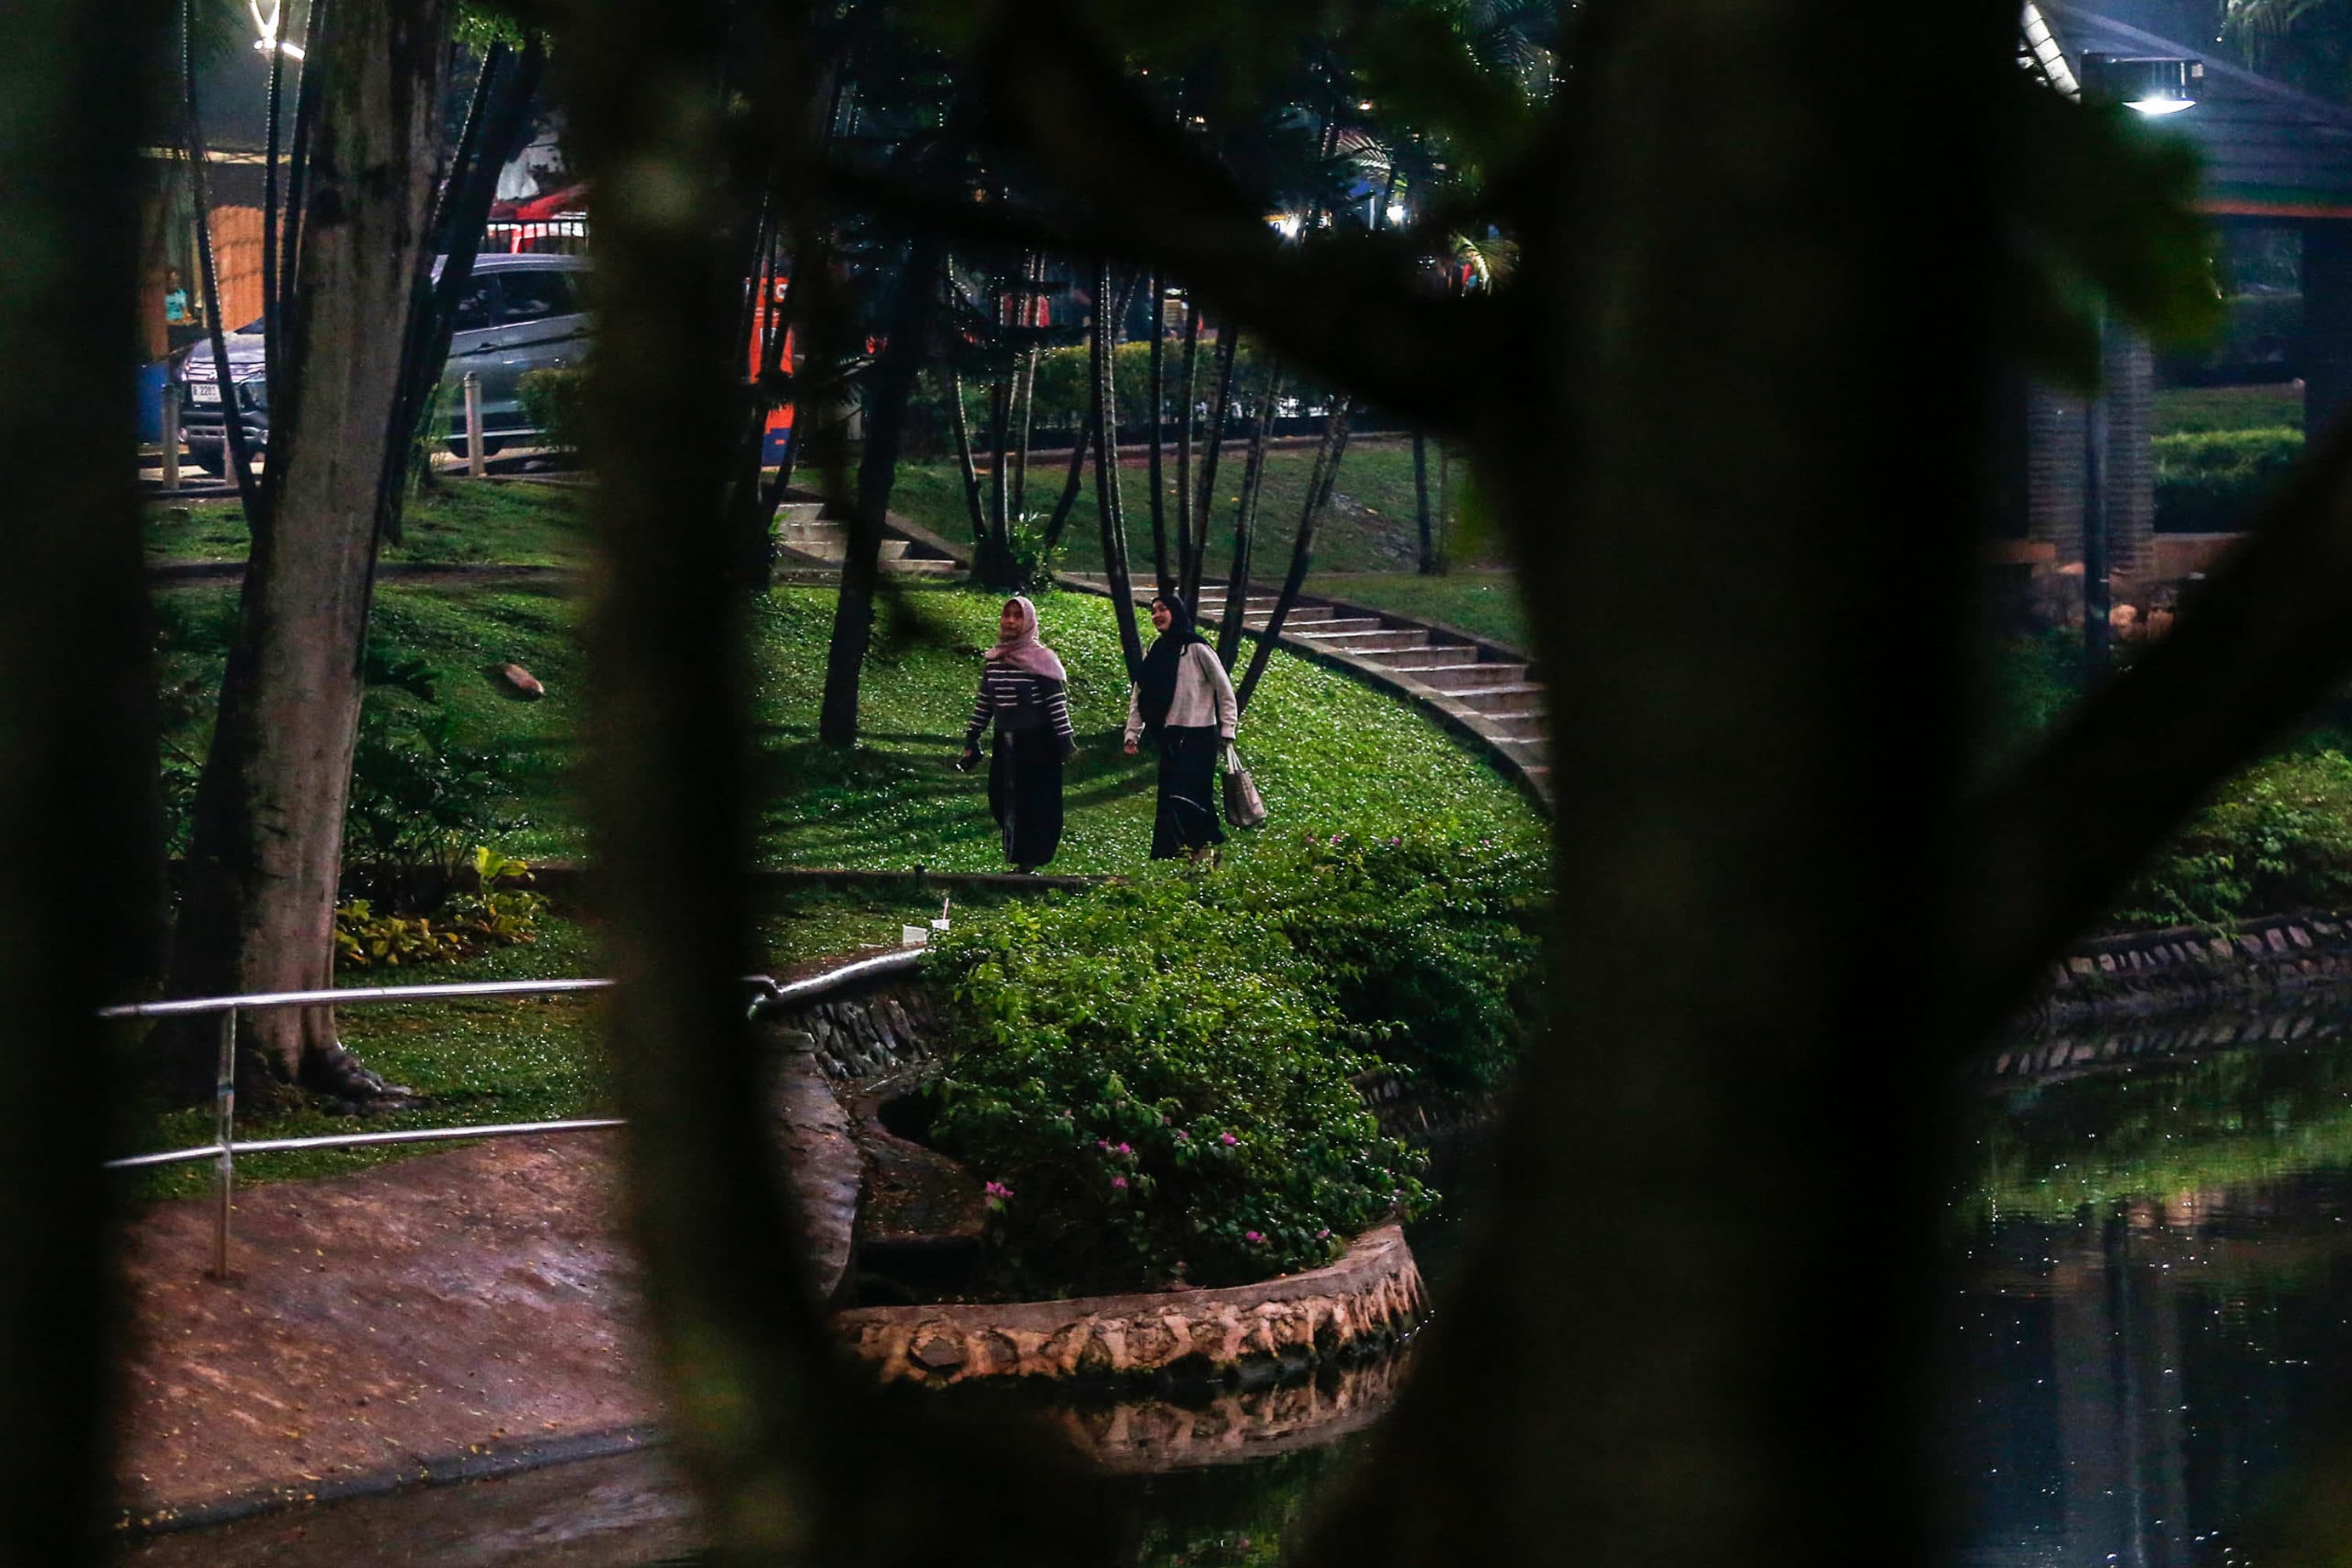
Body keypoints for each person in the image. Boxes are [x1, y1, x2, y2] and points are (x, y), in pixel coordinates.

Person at [960, 596, 1076, 872]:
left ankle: (1030, 860)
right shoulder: (994, 659)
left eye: (1018, 616)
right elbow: (985, 702)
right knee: (1001, 798)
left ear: (1028, 622)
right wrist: (973, 735)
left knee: (1036, 801)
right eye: (1007, 615)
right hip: (1006, 741)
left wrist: (1065, 742)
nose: (1011, 621)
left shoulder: (1042, 661)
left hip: (1038, 743)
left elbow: (1056, 705)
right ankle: (1019, 853)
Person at [1124, 593, 1239, 863]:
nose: (1157, 615)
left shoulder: (1198, 649)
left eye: (1163, 609)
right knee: (1172, 799)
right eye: (1153, 611)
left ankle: (1204, 854)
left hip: (1199, 736)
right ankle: (1191, 856)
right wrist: (1132, 733)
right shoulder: (1157, 650)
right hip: (1171, 736)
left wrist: (1228, 730)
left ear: (1176, 612)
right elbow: (1140, 693)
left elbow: (1224, 690)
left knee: (1194, 797)